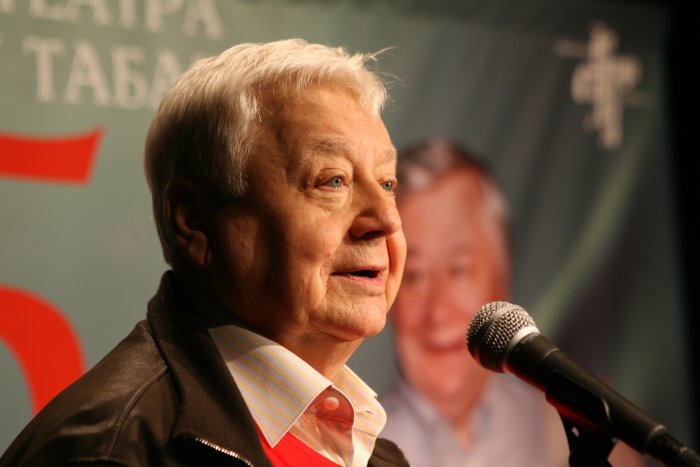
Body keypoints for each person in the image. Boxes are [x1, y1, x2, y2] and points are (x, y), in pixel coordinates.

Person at [0, 39, 408, 467]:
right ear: (193, 219)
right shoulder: (114, 452)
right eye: (332, 181)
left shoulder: (370, 453)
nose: (386, 219)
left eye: (387, 184)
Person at [379, 139, 647, 467]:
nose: (437, 313)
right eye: (415, 276)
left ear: (502, 279)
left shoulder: (578, 429)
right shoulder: (354, 448)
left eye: (459, 270)